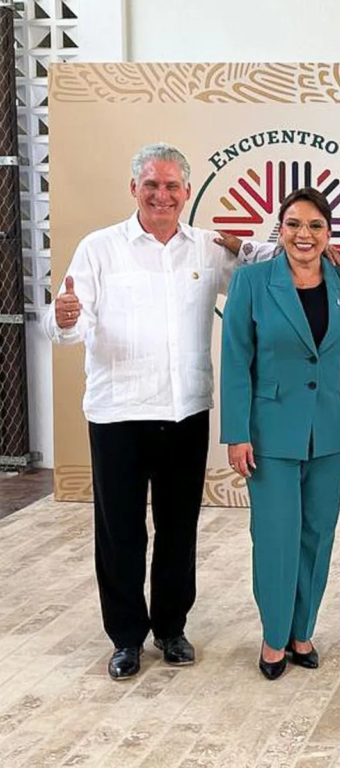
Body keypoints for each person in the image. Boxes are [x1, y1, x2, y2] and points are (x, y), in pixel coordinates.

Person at [44, 143, 273, 680]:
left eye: (171, 186)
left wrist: (316, 250)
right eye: (151, 184)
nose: (161, 194)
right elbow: (65, 327)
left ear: (187, 193)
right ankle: (126, 637)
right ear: (134, 190)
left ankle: (171, 628)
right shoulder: (99, 249)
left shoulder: (209, 249)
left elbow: (272, 267)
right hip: (117, 413)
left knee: (178, 528)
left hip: (185, 411)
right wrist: (65, 315)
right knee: (120, 530)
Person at [220, 187, 340, 680]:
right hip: (270, 433)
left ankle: (303, 631)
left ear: (329, 234)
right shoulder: (251, 282)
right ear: (279, 230)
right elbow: (237, 360)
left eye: (315, 226)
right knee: (276, 536)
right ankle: (274, 636)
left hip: (332, 430)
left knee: (317, 534)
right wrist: (236, 432)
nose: (304, 235)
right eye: (293, 225)